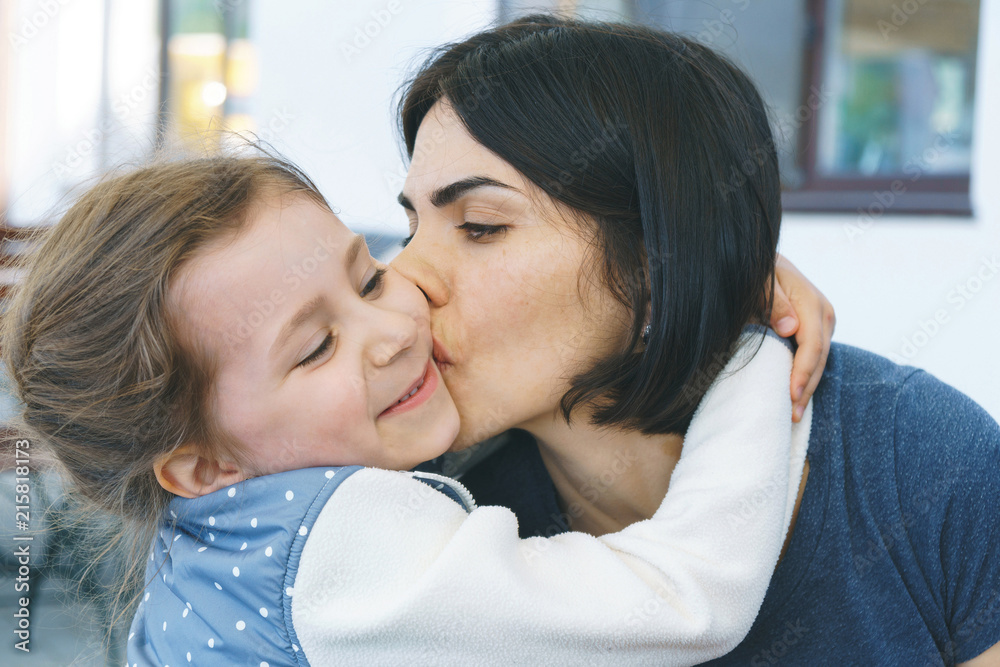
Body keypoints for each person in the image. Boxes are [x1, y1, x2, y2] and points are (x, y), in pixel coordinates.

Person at [2, 150, 819, 666]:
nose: (395, 328)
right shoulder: (330, 550)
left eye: (366, 277)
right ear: (205, 464)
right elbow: (678, 603)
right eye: (316, 346)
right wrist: (744, 351)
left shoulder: (220, 555)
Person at [391, 14, 1000, 665]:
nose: (403, 276)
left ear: (656, 261)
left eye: (480, 225)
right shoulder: (421, 511)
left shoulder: (924, 463)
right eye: (410, 230)